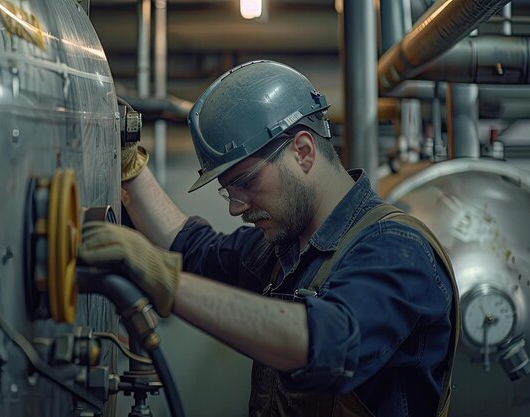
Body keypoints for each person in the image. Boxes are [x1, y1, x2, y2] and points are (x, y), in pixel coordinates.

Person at [78, 60, 459, 417]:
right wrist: (130, 165)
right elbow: (191, 247)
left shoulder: (397, 250)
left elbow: (324, 341)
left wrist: (167, 282)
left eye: (246, 181)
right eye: (230, 190)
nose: (236, 208)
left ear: (304, 152)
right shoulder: (287, 251)